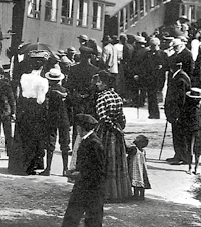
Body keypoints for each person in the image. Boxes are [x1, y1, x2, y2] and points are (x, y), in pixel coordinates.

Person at [8, 50, 49, 175]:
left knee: (22, 137)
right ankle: (30, 166)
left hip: (24, 108)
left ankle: (17, 166)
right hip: (36, 109)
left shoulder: (24, 77)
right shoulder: (43, 81)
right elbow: (41, 99)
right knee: (33, 138)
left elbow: (20, 93)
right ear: (42, 65)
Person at [61, 114, 106, 227]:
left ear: (80, 128)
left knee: (91, 219)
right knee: (73, 216)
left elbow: (98, 169)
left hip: (92, 187)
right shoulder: (88, 140)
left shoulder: (94, 144)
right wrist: (75, 171)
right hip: (84, 184)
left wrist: (79, 174)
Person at [94, 70, 132, 202]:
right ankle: (119, 192)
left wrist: (113, 127)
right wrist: (119, 128)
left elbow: (103, 118)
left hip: (106, 132)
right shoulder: (116, 96)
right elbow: (122, 117)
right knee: (117, 160)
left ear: (104, 83)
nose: (97, 84)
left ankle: (105, 192)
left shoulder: (102, 97)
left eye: (99, 81)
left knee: (104, 159)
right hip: (117, 133)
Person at [43, 67, 71, 176]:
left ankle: (48, 169)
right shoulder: (65, 91)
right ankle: (65, 169)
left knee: (50, 143)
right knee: (65, 144)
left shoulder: (48, 92)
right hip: (64, 119)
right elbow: (70, 107)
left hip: (51, 119)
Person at [165, 61, 192, 164]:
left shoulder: (181, 78)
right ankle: (178, 155)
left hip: (179, 113)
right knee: (176, 134)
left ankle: (183, 157)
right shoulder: (178, 76)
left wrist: (176, 113)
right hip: (176, 112)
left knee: (180, 135)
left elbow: (181, 99)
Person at [178, 88, 201, 174]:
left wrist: (199, 126)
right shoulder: (187, 108)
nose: (198, 100)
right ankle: (190, 167)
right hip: (189, 130)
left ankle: (196, 168)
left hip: (198, 131)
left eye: (199, 99)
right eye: (196, 99)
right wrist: (187, 127)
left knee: (198, 149)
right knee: (189, 149)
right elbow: (182, 119)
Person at [145, 37, 168, 119]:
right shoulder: (148, 54)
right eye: (151, 45)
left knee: (156, 95)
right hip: (150, 77)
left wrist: (161, 67)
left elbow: (166, 66)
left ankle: (156, 113)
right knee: (151, 95)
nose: (152, 47)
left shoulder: (163, 54)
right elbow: (145, 65)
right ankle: (152, 113)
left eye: (154, 45)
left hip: (159, 77)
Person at [127, 134, 151, 200]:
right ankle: (141, 196)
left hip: (135, 168)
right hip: (141, 169)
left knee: (135, 181)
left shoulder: (134, 149)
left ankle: (136, 195)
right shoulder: (143, 151)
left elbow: (127, 150)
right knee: (141, 181)